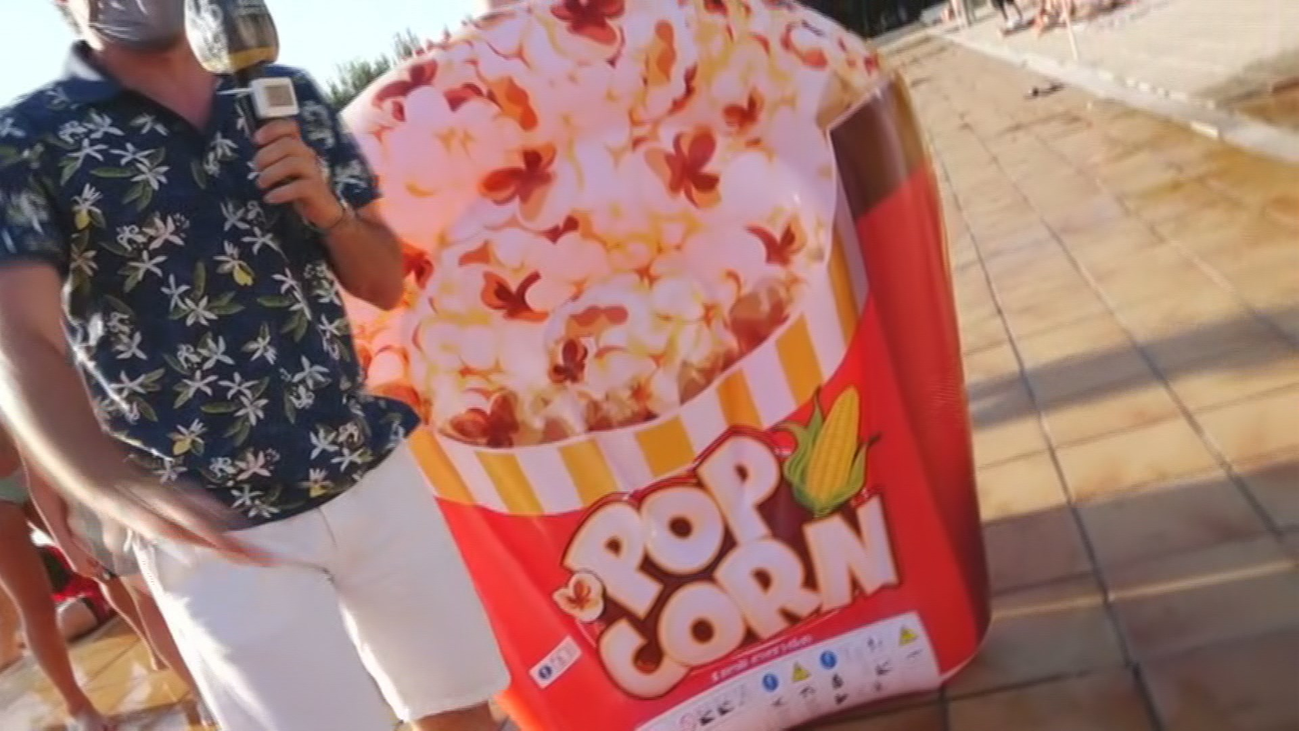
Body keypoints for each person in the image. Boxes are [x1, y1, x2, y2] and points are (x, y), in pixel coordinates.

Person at [0, 2, 509, 730]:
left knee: (463, 713)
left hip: (365, 466)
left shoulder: (286, 97)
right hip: (221, 527)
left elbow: (382, 281)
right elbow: (19, 336)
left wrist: (329, 210)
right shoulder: (26, 142)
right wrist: (112, 486)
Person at [0, 430, 111, 731]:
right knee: (37, 607)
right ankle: (77, 704)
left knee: (107, 566)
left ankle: (160, 650)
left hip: (31, 457)